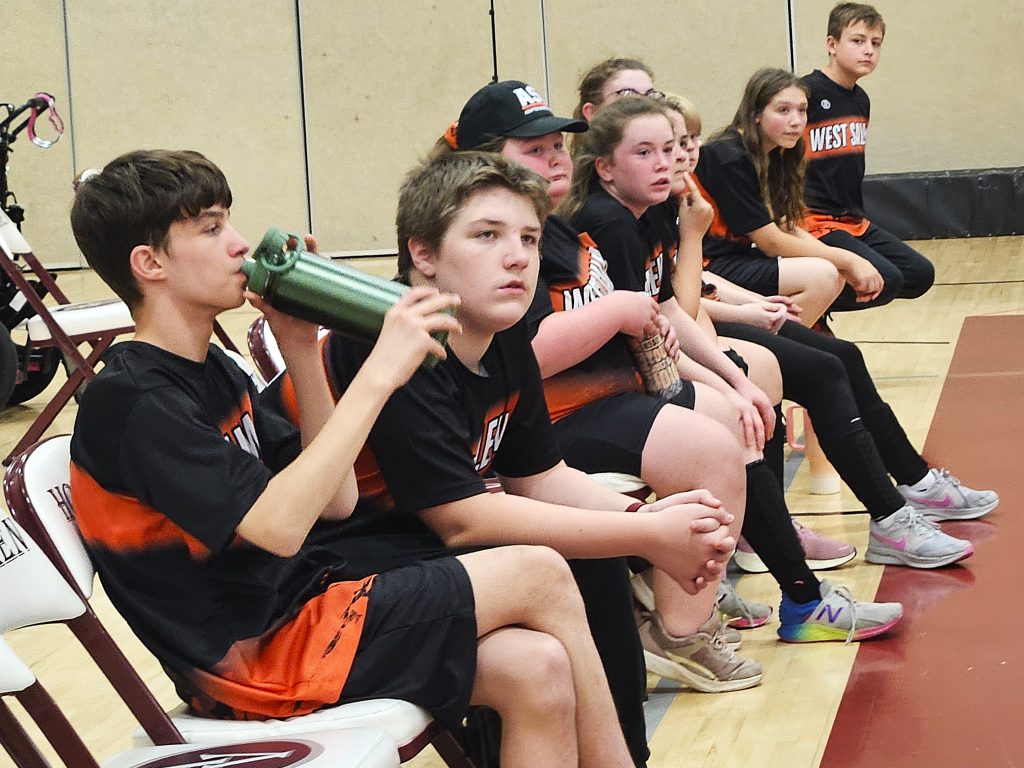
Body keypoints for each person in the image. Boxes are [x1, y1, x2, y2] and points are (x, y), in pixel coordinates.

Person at [67, 149, 645, 768]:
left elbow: (335, 500)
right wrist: (378, 374)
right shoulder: (133, 401)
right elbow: (280, 529)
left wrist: (298, 345)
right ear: (149, 263)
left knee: (537, 668)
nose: (239, 244)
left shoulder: (212, 367)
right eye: (211, 228)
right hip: (256, 658)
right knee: (541, 572)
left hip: (307, 611)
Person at [310, 150, 746, 766]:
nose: (517, 256)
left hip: (420, 554)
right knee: (570, 563)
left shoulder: (505, 328)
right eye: (486, 236)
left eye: (529, 237)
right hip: (346, 575)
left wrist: (661, 523)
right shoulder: (388, 340)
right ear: (423, 255)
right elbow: (460, 520)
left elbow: (539, 477)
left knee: (587, 556)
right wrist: (646, 533)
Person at [432, 79, 767, 693]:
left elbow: (659, 308)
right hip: (542, 430)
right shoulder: (438, 324)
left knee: (739, 398)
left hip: (564, 417)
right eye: (534, 147)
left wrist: (648, 524)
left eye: (559, 144)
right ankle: (698, 620)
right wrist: (644, 528)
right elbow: (462, 513)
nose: (557, 157)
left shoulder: (556, 238)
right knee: (708, 447)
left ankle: (729, 576)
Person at [559, 94, 903, 642]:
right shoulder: (609, 222)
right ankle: (791, 597)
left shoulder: (649, 213)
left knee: (755, 391)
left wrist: (736, 381)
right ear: (604, 166)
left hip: (626, 382)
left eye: (671, 148)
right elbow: (649, 340)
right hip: (602, 394)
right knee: (731, 429)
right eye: (645, 151)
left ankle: (784, 580)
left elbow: (671, 309)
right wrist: (725, 390)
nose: (666, 161)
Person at [659, 92, 995, 567]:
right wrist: (748, 309)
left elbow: (690, 289)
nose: (684, 154)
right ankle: (783, 527)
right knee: (810, 368)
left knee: (842, 356)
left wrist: (754, 307)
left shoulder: (676, 194)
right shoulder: (667, 197)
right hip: (682, 343)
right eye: (665, 146)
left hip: (706, 316)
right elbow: (678, 302)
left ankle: (913, 487)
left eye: (686, 141)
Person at [693, 67, 888, 325]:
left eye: (802, 110)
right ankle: (782, 347)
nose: (796, 121)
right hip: (708, 265)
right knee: (824, 275)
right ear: (756, 115)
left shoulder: (777, 153)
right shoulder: (727, 157)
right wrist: (849, 259)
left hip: (734, 257)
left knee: (832, 272)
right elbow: (770, 242)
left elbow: (786, 224)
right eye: (783, 110)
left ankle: (790, 340)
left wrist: (838, 259)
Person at [802, 2, 935, 312]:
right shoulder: (805, 93)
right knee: (886, 280)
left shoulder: (861, 99)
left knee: (919, 275)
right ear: (832, 44)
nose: (869, 51)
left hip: (853, 220)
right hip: (813, 220)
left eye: (876, 44)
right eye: (858, 41)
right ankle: (807, 308)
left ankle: (817, 301)